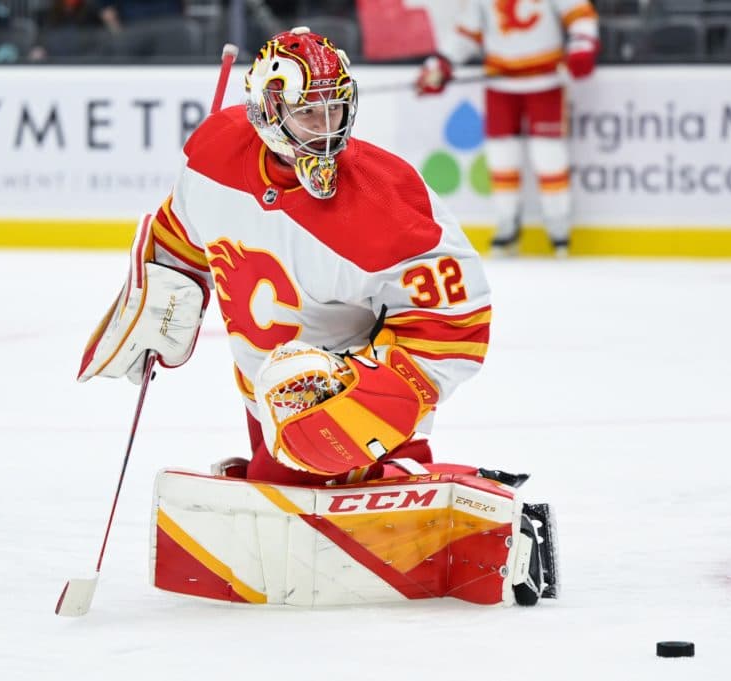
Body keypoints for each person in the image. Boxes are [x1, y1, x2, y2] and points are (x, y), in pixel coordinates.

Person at [77, 26, 491, 488]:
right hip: (260, 393)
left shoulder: (384, 197)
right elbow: (183, 234)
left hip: (338, 397)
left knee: (287, 491)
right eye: (308, 112)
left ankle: (404, 468)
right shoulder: (214, 154)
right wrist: (166, 294)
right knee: (271, 493)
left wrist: (380, 393)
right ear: (267, 110)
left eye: (335, 108)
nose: (327, 127)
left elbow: (458, 320)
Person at [416, 0, 600, 257]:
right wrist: (441, 63)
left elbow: (579, 13)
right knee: (501, 157)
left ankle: (558, 223)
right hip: (500, 82)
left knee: (548, 156)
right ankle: (507, 223)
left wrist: (582, 44)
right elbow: (467, 31)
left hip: (545, 81)